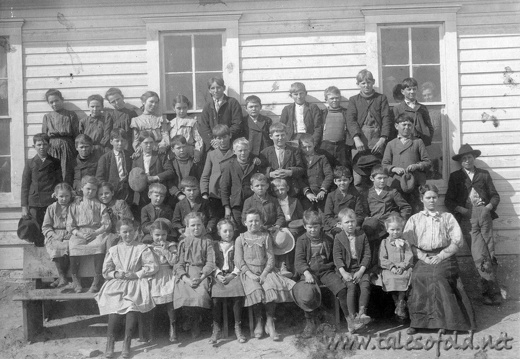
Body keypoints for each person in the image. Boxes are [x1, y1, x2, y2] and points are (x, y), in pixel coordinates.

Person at [404, 184, 476, 334]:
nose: (431, 200)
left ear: (438, 198)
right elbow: (408, 242)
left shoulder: (447, 217)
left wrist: (441, 255)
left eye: (434, 197)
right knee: (418, 277)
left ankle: (446, 322)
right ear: (422, 199)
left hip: (445, 255)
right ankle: (418, 322)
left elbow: (458, 241)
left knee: (438, 276)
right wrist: (423, 256)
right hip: (422, 255)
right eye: (428, 198)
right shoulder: (414, 219)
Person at [445, 144, 504, 305]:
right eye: (464, 159)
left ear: (474, 158)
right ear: (460, 162)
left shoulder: (483, 174)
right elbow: (448, 200)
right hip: (468, 218)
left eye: (469, 157)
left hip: (484, 216)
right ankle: (490, 292)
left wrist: (488, 207)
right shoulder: (456, 177)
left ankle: (492, 292)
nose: (467, 161)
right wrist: (462, 210)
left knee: (490, 253)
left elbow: (495, 196)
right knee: (479, 255)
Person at [95, 219, 158, 359]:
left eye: (131, 231)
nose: (128, 234)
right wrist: (116, 274)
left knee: (131, 306)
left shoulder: (142, 248)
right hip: (118, 282)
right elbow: (106, 270)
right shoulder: (114, 249)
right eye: (124, 232)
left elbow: (151, 267)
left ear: (136, 232)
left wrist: (136, 274)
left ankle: (126, 344)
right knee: (115, 307)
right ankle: (110, 344)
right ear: (119, 233)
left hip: (135, 282)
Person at [235, 209, 295, 341]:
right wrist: (250, 274)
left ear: (261, 222)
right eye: (250, 221)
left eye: (257, 221)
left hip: (266, 271)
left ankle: (270, 322)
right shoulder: (240, 238)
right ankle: (259, 321)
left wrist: (264, 274)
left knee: (270, 287)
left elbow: (271, 258)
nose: (254, 223)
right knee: (256, 290)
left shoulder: (265, 236)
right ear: (245, 222)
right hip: (248, 273)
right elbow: (239, 261)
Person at [293, 210, 353, 337]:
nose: (313, 230)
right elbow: (299, 261)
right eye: (310, 227)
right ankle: (310, 324)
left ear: (321, 226)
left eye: (315, 227)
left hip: (326, 271)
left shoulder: (328, 239)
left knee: (342, 289)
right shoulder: (301, 240)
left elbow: (334, 258)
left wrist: (339, 272)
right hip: (309, 272)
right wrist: (306, 272)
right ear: (305, 227)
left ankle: (350, 320)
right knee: (307, 294)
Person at [346, 70, 393, 192]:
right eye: (362, 83)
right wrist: (356, 139)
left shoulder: (381, 98)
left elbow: (386, 119)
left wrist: (382, 139)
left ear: (373, 83)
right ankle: (361, 209)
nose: (366, 86)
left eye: (369, 82)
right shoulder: (353, 100)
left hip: (377, 141)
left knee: (378, 176)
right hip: (359, 141)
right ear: (358, 84)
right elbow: (351, 120)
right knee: (358, 178)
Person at [173, 212, 216, 339]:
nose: (196, 228)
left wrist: (202, 276)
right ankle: (190, 319)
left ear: (203, 225)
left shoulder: (207, 242)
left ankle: (196, 321)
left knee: (201, 292)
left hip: (202, 273)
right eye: (192, 225)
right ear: (187, 227)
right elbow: (179, 264)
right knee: (183, 291)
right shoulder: (183, 242)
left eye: (198, 225)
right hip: (187, 273)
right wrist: (186, 279)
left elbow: (210, 262)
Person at [67, 175, 111, 293]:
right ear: (82, 188)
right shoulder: (75, 204)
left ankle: (96, 279)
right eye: (88, 189)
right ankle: (75, 278)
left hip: (96, 232)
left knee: (100, 245)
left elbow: (106, 224)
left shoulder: (100, 205)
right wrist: (79, 234)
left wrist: (96, 233)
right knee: (73, 245)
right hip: (80, 232)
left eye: (94, 190)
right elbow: (70, 225)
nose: (91, 192)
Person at [382, 113, 431, 214]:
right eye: (403, 124)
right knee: (398, 212)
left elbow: (427, 162)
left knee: (415, 211)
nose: (407, 127)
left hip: (414, 184)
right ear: (396, 126)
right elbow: (384, 165)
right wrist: (393, 169)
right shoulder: (391, 144)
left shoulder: (418, 142)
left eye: (409, 125)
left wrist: (417, 166)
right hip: (397, 184)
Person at [333, 208, 372, 332]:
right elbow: (337, 257)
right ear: (340, 224)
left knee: (365, 284)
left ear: (356, 222)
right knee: (351, 287)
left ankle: (362, 313)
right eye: (347, 222)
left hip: (360, 267)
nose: (350, 225)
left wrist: (361, 271)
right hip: (347, 269)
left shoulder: (361, 235)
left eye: (352, 221)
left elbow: (367, 255)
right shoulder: (339, 237)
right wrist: (343, 272)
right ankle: (352, 318)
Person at [21, 133, 63, 247]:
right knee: (37, 229)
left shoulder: (55, 162)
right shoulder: (30, 163)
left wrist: (58, 194)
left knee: (50, 227)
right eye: (39, 144)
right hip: (35, 201)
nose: (42, 147)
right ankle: (38, 255)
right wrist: (24, 207)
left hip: (50, 199)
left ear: (49, 146)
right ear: (33, 146)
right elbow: (25, 186)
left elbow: (59, 181)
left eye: (44, 144)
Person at [209, 219, 246, 344]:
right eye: (224, 231)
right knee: (215, 296)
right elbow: (211, 262)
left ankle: (237, 327)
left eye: (230, 231)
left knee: (237, 293)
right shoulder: (214, 245)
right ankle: (216, 327)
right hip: (219, 276)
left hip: (233, 275)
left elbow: (239, 262)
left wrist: (233, 275)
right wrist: (218, 274)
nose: (228, 233)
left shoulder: (237, 244)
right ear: (219, 232)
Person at [220, 138, 264, 230]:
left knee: (253, 227)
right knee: (238, 228)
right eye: (240, 151)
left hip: (252, 202)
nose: (243, 153)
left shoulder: (254, 164)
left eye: (245, 150)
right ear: (234, 151)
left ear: (249, 150)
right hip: (236, 203)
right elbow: (224, 188)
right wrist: (227, 207)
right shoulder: (229, 166)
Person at [377, 215, 413, 321]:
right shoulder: (384, 242)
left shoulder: (405, 243)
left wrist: (402, 267)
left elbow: (409, 257)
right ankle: (398, 303)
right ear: (387, 229)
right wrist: (392, 267)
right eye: (392, 229)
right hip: (389, 269)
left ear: (401, 229)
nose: (395, 232)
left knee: (405, 276)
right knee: (391, 278)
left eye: (398, 229)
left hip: (403, 268)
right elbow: (382, 258)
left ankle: (400, 303)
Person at [147, 219, 178, 343]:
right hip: (154, 275)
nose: (160, 238)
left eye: (163, 235)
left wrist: (165, 250)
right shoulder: (149, 247)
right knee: (151, 300)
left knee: (170, 302)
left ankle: (173, 327)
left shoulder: (171, 246)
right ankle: (151, 330)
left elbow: (173, 261)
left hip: (167, 274)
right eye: (157, 235)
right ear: (151, 234)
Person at [42, 89, 79, 185]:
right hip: (52, 147)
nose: (54, 104)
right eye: (51, 102)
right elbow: (44, 136)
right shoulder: (47, 117)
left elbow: (76, 134)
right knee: (54, 171)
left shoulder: (71, 115)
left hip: (67, 146)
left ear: (62, 100)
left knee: (67, 171)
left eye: (56, 100)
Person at [42, 183, 74, 288]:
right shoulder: (51, 208)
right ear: (55, 196)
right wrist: (55, 236)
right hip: (54, 235)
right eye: (61, 196)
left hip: (70, 234)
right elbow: (46, 227)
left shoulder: (74, 207)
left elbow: (77, 224)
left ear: (71, 195)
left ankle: (62, 279)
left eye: (67, 196)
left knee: (71, 246)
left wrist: (70, 234)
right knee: (57, 247)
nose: (64, 199)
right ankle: (63, 277)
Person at [260, 122, 305, 197]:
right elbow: (260, 170)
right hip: (272, 190)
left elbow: (301, 169)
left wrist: (289, 172)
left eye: (283, 135)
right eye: (277, 136)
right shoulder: (265, 153)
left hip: (291, 189)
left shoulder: (294, 151)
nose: (280, 138)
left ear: (286, 135)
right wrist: (270, 174)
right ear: (271, 136)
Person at [198, 77, 242, 152]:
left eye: (218, 87)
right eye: (212, 88)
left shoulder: (232, 103)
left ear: (223, 88)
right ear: (209, 90)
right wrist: (212, 140)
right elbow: (203, 126)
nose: (216, 91)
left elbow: (237, 124)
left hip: (230, 143)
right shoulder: (207, 106)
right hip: (213, 146)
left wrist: (224, 138)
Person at [200, 124, 234, 221]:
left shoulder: (235, 153)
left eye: (224, 137)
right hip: (215, 194)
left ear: (230, 136)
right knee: (215, 220)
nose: (222, 141)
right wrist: (204, 193)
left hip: (230, 194)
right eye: (219, 138)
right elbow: (205, 176)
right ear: (214, 139)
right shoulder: (211, 154)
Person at [131, 130, 174, 206]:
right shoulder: (136, 158)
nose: (149, 145)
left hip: (158, 191)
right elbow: (133, 176)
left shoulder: (160, 156)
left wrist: (155, 177)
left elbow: (170, 171)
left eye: (151, 142)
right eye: (146, 143)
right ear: (140, 144)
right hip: (142, 194)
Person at [323, 166, 368, 235]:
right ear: (335, 181)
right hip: (338, 225)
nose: (342, 183)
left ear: (350, 180)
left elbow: (359, 214)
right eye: (339, 181)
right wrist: (336, 224)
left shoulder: (356, 195)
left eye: (345, 180)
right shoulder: (331, 196)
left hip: (351, 224)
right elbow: (328, 216)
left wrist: (351, 224)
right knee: (337, 233)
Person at [392, 78, 434, 146]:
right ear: (402, 91)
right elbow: (394, 130)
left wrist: (427, 140)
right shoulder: (397, 108)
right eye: (409, 89)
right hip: (404, 144)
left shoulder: (422, 108)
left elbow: (430, 127)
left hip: (421, 144)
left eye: (414, 89)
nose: (412, 92)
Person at [96, 129, 133, 203]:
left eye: (122, 140)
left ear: (126, 141)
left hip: (127, 190)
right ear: (111, 141)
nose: (120, 143)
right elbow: (99, 178)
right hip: (112, 191)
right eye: (117, 141)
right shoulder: (105, 158)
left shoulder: (129, 155)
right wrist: (107, 190)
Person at [300, 133, 333, 213]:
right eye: (304, 147)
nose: (307, 149)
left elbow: (329, 174)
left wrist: (323, 190)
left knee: (323, 217)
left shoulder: (321, 158)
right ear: (300, 147)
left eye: (309, 146)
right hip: (306, 195)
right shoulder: (299, 159)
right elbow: (299, 178)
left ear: (314, 145)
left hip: (320, 194)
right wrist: (307, 193)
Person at [167, 135, 202, 205]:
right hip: (177, 196)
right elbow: (169, 182)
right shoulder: (171, 163)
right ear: (172, 149)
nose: (182, 150)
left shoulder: (194, 161)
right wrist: (178, 194)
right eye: (178, 148)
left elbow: (200, 178)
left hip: (194, 195)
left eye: (183, 147)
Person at [319, 86, 350, 168]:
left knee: (342, 170)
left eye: (337, 98)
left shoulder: (345, 112)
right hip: (326, 146)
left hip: (341, 146)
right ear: (326, 99)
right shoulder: (322, 113)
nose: (335, 100)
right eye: (332, 98)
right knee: (327, 169)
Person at [98, 181, 134, 249]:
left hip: (120, 232)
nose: (104, 196)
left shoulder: (120, 204)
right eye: (101, 194)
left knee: (112, 242)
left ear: (112, 193)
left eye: (106, 193)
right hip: (104, 233)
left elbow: (127, 220)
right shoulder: (98, 206)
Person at [169, 94, 203, 163]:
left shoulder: (192, 122)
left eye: (184, 108)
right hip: (175, 154)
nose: (182, 111)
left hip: (189, 153)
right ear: (173, 108)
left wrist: (197, 151)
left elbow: (198, 139)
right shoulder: (170, 123)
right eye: (179, 108)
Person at [105, 88, 138, 153]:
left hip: (129, 145)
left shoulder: (131, 113)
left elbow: (136, 132)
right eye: (113, 102)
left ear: (122, 97)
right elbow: (107, 133)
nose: (117, 103)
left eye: (118, 99)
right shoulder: (110, 115)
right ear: (110, 103)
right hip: (116, 146)